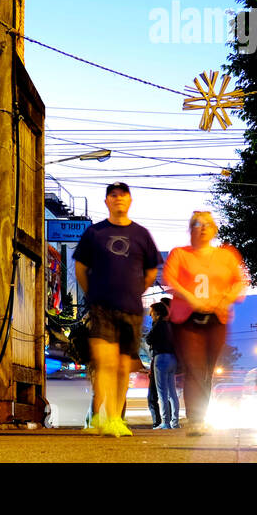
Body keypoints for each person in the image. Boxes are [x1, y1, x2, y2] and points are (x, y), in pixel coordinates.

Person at [73, 182, 159, 437]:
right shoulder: (95, 233)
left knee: (123, 366)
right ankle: (105, 417)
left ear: (130, 200)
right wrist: (94, 293)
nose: (118, 199)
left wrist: (134, 291)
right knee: (105, 362)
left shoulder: (141, 234)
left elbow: (151, 270)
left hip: (132, 309)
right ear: (107, 201)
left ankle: (114, 418)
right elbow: (80, 268)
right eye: (113, 195)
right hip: (102, 307)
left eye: (123, 195)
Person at [162, 211, 247, 435]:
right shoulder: (179, 254)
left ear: (214, 229)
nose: (202, 228)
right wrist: (192, 299)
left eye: (207, 224)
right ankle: (196, 418)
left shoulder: (226, 255)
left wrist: (224, 299)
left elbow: (239, 282)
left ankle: (202, 414)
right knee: (195, 367)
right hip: (187, 320)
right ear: (190, 229)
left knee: (207, 369)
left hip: (216, 318)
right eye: (197, 224)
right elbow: (170, 279)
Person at [146, 300, 179, 429]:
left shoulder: (158, 325)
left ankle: (165, 422)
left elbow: (149, 339)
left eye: (151, 313)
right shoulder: (170, 325)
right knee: (172, 392)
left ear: (157, 313)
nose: (150, 316)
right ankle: (175, 422)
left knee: (162, 392)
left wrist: (153, 326)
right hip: (172, 358)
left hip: (161, 358)